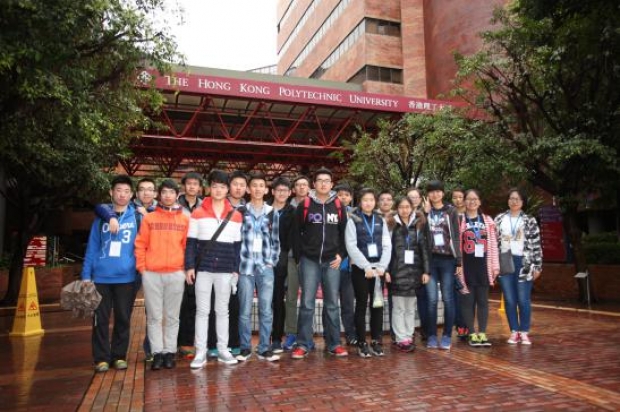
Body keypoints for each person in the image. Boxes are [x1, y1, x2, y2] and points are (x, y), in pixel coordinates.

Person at [94, 177, 157, 360]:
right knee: (120, 313)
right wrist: (112, 217)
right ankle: (110, 355)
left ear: (155, 193)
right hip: (131, 270)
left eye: (150, 189)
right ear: (136, 194)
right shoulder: (128, 210)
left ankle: (150, 350)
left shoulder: (158, 211)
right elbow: (100, 207)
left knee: (152, 312)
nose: (146, 193)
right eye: (142, 189)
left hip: (152, 269)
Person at [185, 170, 243, 369]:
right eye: (215, 186)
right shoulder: (198, 212)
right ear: (209, 188)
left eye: (222, 186)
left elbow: (237, 246)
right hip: (203, 269)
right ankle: (200, 351)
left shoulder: (236, 215)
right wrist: (189, 266)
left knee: (222, 311)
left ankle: (223, 349)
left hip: (226, 269)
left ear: (227, 190)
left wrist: (235, 269)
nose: (218, 190)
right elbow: (191, 243)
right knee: (202, 311)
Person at [81, 175, 139, 372]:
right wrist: (86, 275)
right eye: (118, 190)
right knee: (100, 319)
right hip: (101, 277)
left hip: (127, 278)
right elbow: (92, 248)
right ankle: (101, 358)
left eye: (126, 191)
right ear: (111, 192)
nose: (122, 195)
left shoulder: (137, 217)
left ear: (132, 195)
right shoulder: (100, 219)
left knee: (123, 318)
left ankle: (119, 356)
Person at [292, 167, 348, 359]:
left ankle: (334, 343)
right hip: (309, 261)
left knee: (332, 304)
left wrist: (341, 255)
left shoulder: (338, 206)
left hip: (332, 261)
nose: (323, 184)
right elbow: (296, 233)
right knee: (307, 304)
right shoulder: (305, 205)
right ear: (314, 184)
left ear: (331, 184)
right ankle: (303, 344)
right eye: (320, 180)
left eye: (327, 181)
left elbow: (344, 233)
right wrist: (300, 258)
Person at [134, 179, 189, 370]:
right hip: (152, 274)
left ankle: (169, 352)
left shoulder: (184, 219)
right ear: (159, 194)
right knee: (154, 316)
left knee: (173, 316)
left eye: (171, 192)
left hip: (175, 273)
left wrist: (183, 269)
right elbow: (140, 244)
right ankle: (157, 353)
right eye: (164, 192)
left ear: (177, 195)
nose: (167, 195)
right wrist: (142, 268)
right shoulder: (149, 218)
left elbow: (187, 247)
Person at [236, 171, 281, 362]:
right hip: (245, 267)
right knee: (244, 310)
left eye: (261, 186)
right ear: (248, 189)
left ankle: (264, 347)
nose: (257, 189)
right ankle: (245, 347)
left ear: (266, 189)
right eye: (254, 185)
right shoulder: (240, 212)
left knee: (266, 309)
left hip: (265, 267)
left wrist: (272, 261)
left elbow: (276, 240)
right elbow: (235, 239)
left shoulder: (272, 213)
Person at [345, 188, 392, 357]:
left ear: (375, 202)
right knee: (361, 305)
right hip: (361, 270)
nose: (368, 203)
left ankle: (376, 341)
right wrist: (365, 266)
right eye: (365, 200)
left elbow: (387, 244)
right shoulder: (353, 219)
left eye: (371, 200)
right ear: (360, 202)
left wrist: (382, 266)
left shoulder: (380, 219)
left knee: (377, 305)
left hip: (378, 269)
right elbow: (351, 245)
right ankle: (362, 342)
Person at [207, 170, 247, 359]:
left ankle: (234, 343)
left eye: (242, 185)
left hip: (238, 262)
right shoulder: (218, 206)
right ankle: (213, 344)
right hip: (216, 262)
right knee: (214, 305)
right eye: (235, 184)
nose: (238, 188)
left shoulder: (248, 209)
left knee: (233, 305)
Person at [494, 189, 543, 345]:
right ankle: (514, 331)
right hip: (504, 261)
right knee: (509, 299)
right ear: (508, 201)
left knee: (523, 299)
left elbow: (536, 244)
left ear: (522, 202)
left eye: (517, 199)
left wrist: (538, 266)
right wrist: (494, 265)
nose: (514, 201)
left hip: (524, 262)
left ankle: (524, 332)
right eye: (511, 198)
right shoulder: (499, 219)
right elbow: (493, 243)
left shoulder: (529, 220)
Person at [457, 189, 499, 347]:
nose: (472, 202)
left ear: (480, 201)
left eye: (475, 199)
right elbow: (456, 244)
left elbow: (493, 244)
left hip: (483, 267)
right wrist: (457, 265)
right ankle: (472, 333)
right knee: (468, 302)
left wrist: (495, 266)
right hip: (466, 267)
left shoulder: (487, 220)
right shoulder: (460, 220)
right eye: (469, 199)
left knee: (482, 301)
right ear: (464, 202)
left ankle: (482, 333)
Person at [387, 197, 430, 352]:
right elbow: (387, 250)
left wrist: (426, 271)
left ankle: (408, 335)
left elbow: (424, 249)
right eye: (401, 207)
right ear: (396, 208)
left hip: (414, 272)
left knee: (411, 308)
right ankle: (400, 338)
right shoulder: (391, 225)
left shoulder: (418, 224)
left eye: (407, 207)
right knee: (398, 308)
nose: (404, 210)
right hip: (397, 272)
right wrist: (386, 271)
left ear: (412, 208)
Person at [424, 180, 461, 350]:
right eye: (432, 191)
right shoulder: (425, 211)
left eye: (438, 191)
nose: (435, 194)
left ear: (443, 193)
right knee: (431, 300)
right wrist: (425, 214)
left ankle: (446, 335)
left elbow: (456, 236)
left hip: (447, 259)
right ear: (428, 194)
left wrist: (458, 260)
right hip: (430, 260)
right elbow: (421, 234)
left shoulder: (451, 211)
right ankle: (432, 335)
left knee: (448, 298)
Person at [177, 172, 204, 360]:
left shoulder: (205, 206)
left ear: (200, 187)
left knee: (193, 301)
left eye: (195, 184)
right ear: (184, 186)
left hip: (198, 258)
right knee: (177, 303)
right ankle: (175, 342)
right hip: (177, 257)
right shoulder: (174, 205)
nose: (192, 186)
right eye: (189, 183)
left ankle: (188, 342)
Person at [282, 175, 310, 351]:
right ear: (293, 189)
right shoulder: (288, 208)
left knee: (308, 299)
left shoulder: (315, 207)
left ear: (309, 188)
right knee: (291, 297)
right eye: (298, 185)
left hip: (310, 259)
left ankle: (307, 335)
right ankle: (291, 332)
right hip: (292, 258)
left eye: (304, 185)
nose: (301, 187)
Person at [270, 177, 295, 353]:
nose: (281, 193)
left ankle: (277, 338)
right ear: (272, 192)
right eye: (278, 190)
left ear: (289, 193)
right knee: (266, 301)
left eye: (285, 191)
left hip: (284, 260)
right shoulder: (265, 210)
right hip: (263, 259)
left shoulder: (293, 212)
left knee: (278, 299)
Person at [334, 182, 356, 347]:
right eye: (340, 195)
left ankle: (351, 334)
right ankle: (331, 335)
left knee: (348, 303)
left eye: (346, 195)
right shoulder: (329, 213)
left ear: (351, 198)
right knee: (331, 304)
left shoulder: (356, 215)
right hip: (332, 265)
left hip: (349, 268)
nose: (343, 197)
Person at [406, 187, 429, 341]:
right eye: (410, 197)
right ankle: (407, 331)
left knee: (423, 298)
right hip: (404, 265)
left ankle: (425, 330)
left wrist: (426, 214)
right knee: (405, 299)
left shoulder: (423, 217)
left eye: (416, 197)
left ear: (420, 199)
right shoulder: (399, 216)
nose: (413, 200)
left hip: (419, 263)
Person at [451, 187, 469, 341]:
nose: (457, 200)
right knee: (458, 293)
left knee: (469, 294)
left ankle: (468, 325)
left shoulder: (472, 215)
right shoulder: (449, 215)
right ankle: (461, 325)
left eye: (460, 197)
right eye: (454, 197)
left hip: (470, 260)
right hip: (455, 260)